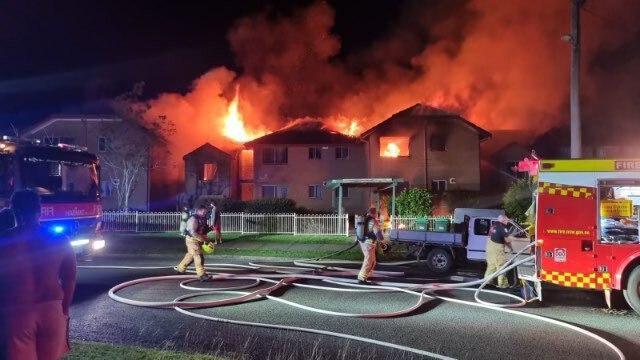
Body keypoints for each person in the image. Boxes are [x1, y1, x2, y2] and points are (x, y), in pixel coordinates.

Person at [0, 190, 77, 360]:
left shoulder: (4, 240)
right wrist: (63, 310)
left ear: (15, 211)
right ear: (39, 210)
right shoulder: (60, 239)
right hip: (52, 311)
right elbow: (70, 278)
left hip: (17, 313)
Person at [176, 205, 212, 281]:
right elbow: (193, 233)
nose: (205, 213)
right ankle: (202, 275)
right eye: (204, 211)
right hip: (191, 240)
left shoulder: (202, 219)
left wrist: (207, 236)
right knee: (198, 256)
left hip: (196, 240)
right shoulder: (193, 219)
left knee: (190, 256)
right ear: (199, 210)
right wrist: (202, 239)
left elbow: (202, 230)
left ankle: (180, 269)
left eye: (205, 211)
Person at [484, 214, 515, 288]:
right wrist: (511, 244)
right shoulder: (503, 228)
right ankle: (502, 284)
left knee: (491, 265)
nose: (507, 221)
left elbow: (496, 237)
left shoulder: (493, 225)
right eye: (507, 220)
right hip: (497, 250)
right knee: (501, 266)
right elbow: (507, 240)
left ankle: (487, 281)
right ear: (503, 220)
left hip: (489, 249)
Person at [357, 207, 383, 284]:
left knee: (373, 261)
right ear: (374, 213)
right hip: (368, 243)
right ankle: (361, 278)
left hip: (363, 242)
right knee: (368, 261)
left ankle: (367, 274)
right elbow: (378, 233)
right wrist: (382, 241)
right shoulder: (373, 221)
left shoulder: (364, 219)